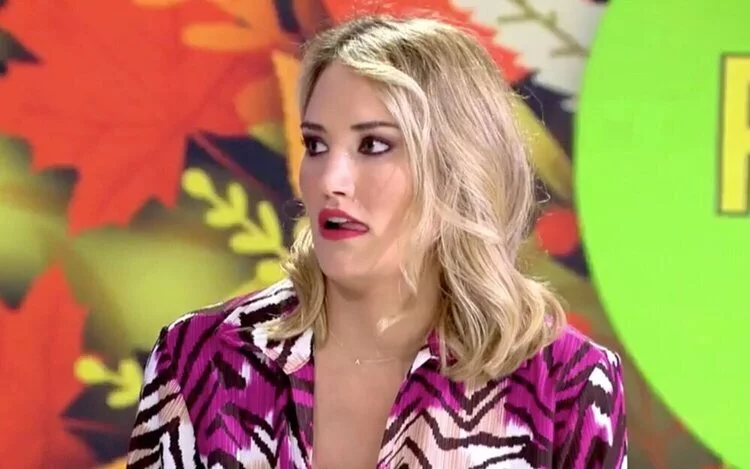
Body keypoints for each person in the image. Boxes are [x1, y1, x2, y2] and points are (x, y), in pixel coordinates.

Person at [126, 14, 627, 469]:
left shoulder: (566, 381)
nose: (330, 180)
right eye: (316, 144)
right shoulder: (200, 358)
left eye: (372, 145)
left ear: (455, 166)